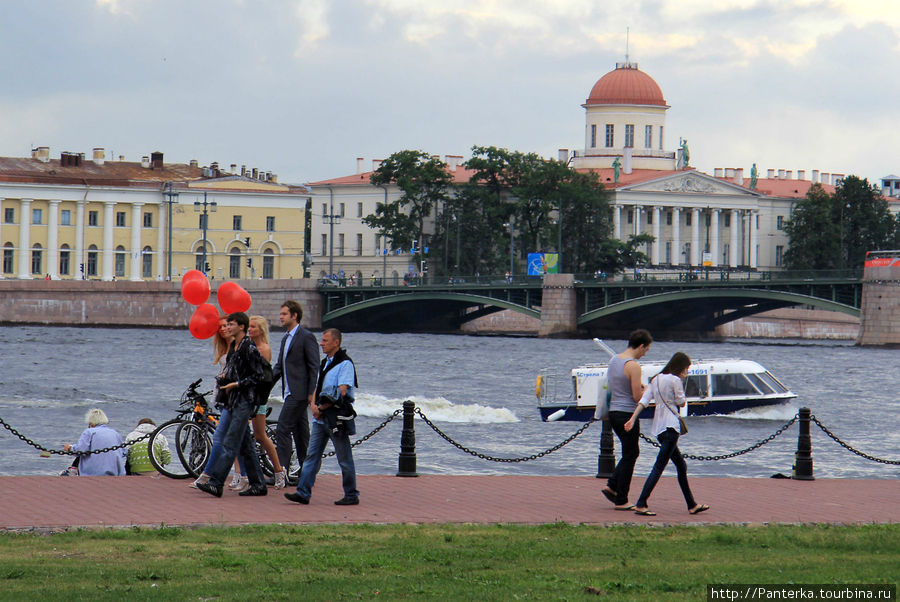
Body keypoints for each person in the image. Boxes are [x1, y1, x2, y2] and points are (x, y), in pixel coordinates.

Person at [624, 352, 709, 516]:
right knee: (658, 467)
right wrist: (682, 390)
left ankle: (692, 504)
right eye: (686, 369)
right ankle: (641, 503)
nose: (686, 372)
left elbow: (644, 401)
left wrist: (632, 418)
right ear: (681, 367)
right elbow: (681, 401)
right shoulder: (675, 380)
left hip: (659, 429)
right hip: (671, 427)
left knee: (681, 465)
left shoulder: (655, 379)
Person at [196, 312, 268, 497]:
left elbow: (260, 375)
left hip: (244, 401)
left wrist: (237, 384)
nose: (227, 327)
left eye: (231, 324)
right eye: (227, 324)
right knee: (245, 445)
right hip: (233, 400)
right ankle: (258, 484)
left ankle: (216, 483)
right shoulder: (235, 346)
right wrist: (225, 379)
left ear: (241, 327)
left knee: (230, 441)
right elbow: (237, 371)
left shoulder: (248, 347)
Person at [285, 328, 359, 506]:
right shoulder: (325, 363)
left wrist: (321, 407)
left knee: (344, 457)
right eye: (322, 340)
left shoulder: (345, 364)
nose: (321, 343)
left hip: (335, 418)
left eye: (325, 340)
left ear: (336, 343)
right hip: (320, 418)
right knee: (312, 456)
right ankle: (303, 492)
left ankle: (351, 494)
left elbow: (342, 392)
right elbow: (317, 386)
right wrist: (313, 405)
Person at [600, 329, 652, 510]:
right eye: (646, 350)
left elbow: (617, 386)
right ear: (641, 346)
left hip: (614, 412)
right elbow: (637, 397)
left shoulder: (614, 360)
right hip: (628, 414)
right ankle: (622, 499)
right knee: (631, 455)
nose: (645, 353)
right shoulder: (634, 366)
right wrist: (647, 390)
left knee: (629, 453)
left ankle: (612, 486)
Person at [272, 300, 320, 482]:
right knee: (301, 433)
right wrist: (264, 387)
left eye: (284, 314)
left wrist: (311, 393)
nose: (281, 317)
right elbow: (279, 367)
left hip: (299, 393)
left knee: (283, 429)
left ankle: (281, 473)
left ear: (294, 316)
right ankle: (307, 473)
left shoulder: (306, 336)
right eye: (281, 313)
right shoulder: (286, 338)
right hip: (289, 392)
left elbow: (314, 366)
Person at [240, 315, 287, 489]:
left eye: (253, 327)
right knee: (240, 434)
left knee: (260, 435)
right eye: (248, 327)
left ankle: (279, 471)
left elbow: (260, 375)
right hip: (245, 396)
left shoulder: (263, 348)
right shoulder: (247, 345)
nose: (249, 329)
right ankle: (241, 475)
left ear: (260, 330)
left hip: (257, 397)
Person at [192, 316, 236, 489]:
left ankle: (207, 476)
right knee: (239, 440)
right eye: (220, 327)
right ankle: (243, 476)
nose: (223, 329)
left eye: (226, 325)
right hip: (222, 396)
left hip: (231, 397)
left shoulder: (237, 346)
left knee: (219, 438)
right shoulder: (225, 347)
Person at [63, 409, 126, 476]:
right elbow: (124, 452)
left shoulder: (89, 432)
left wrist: (70, 448)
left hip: (93, 473)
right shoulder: (115, 433)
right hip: (115, 472)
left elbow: (81, 450)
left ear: (91, 423)